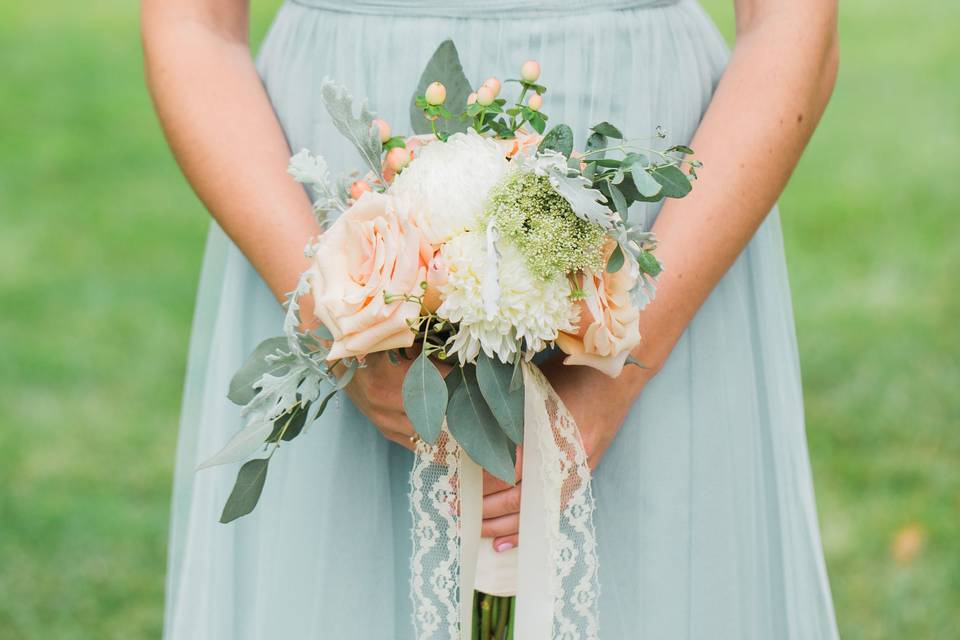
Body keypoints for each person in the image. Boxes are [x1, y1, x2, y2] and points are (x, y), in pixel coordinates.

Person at [143, 0, 841, 637]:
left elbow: (792, 22)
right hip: (321, 204)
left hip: (667, 221)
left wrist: (621, 361)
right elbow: (192, 24)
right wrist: (340, 317)